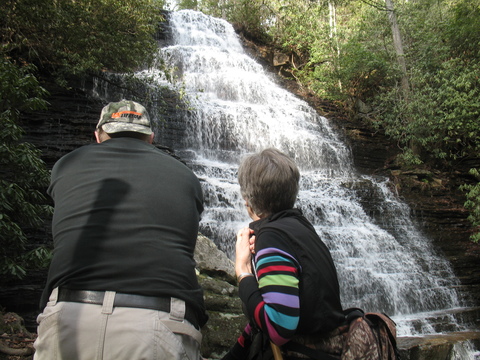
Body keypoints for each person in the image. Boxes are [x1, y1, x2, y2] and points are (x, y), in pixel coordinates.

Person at [34, 100, 208, 360]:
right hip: (158, 324)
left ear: (98, 136)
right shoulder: (186, 177)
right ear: (151, 137)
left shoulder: (65, 165)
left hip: (68, 317)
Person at [222, 148, 347, 360]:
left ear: (247, 199)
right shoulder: (301, 227)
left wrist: (243, 271)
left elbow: (279, 329)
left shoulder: (271, 237)